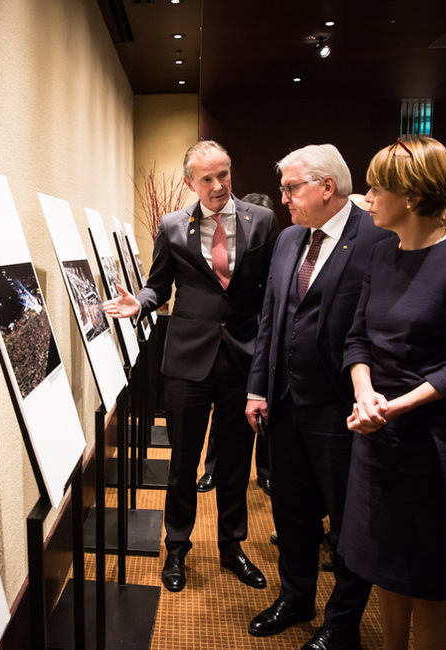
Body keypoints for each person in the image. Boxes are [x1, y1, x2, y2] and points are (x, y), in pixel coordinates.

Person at [341, 137, 446, 650]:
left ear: (411, 196)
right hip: (378, 436)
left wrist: (396, 405)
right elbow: (357, 338)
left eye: (376, 187)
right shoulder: (383, 252)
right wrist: (365, 394)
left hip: (433, 445)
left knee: (430, 582)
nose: (366, 197)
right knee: (385, 568)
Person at [103, 140, 279, 592]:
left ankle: (232, 546)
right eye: (208, 179)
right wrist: (139, 303)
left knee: (236, 464)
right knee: (182, 464)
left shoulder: (260, 221)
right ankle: (176, 549)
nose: (219, 186)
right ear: (190, 183)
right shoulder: (172, 226)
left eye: (224, 174)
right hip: (186, 360)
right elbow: (158, 285)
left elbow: (269, 293)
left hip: (242, 358)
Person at [245, 144, 393, 650]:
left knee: (348, 519)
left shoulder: (377, 238)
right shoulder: (289, 239)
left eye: (291, 187)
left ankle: (342, 623)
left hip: (341, 408)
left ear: (326, 187)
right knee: (291, 509)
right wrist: (257, 388)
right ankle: (296, 597)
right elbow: (271, 319)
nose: (283, 197)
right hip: (284, 404)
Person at [196, 191, 275, 498]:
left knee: (262, 411)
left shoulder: (270, 239)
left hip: (258, 337)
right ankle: (212, 468)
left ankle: (265, 472)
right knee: (223, 415)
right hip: (226, 339)